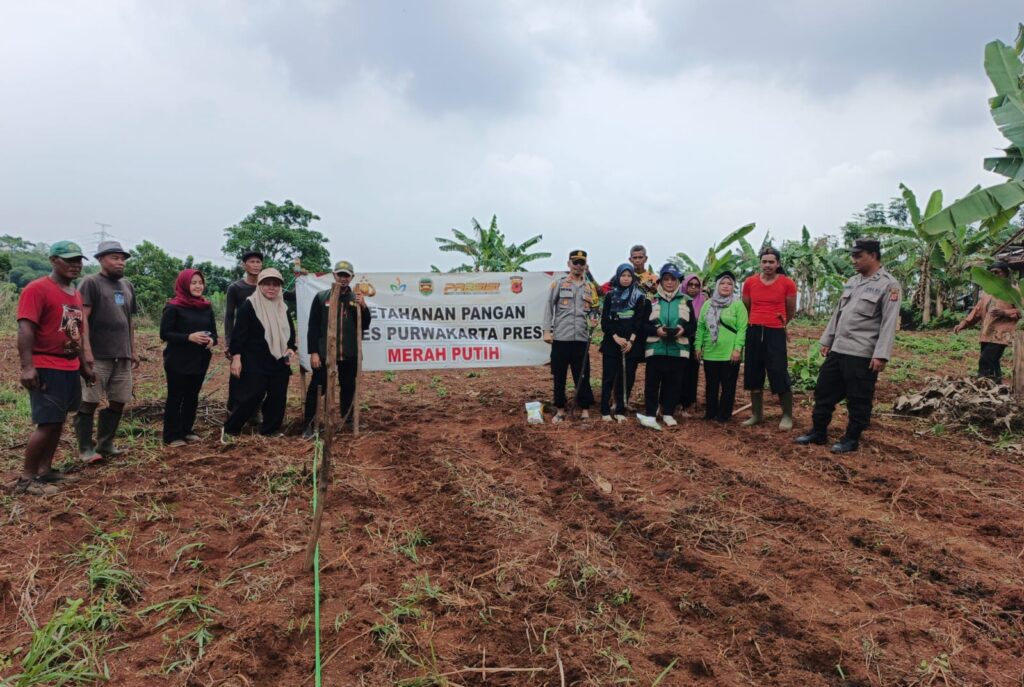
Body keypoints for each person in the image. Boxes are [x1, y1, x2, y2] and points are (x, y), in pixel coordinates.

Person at [795, 239, 900, 453]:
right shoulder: (852, 281)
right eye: (853, 255)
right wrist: (827, 340)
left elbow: (889, 323)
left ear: (872, 255)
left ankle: (851, 439)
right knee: (823, 390)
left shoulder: (888, 285)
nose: (853, 260)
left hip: (862, 353)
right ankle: (818, 432)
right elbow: (838, 314)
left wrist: (881, 355)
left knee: (858, 398)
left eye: (858, 256)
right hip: (839, 349)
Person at [15, 241, 95, 495]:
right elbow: (25, 329)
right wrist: (27, 367)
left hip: (68, 365)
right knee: (47, 422)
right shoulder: (37, 289)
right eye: (69, 260)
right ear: (53, 260)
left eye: (79, 260)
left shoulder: (74, 292)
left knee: (58, 420)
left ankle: (45, 471)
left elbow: (76, 333)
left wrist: (84, 366)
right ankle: (27, 479)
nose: (76, 265)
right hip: (46, 363)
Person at [75, 240, 138, 463]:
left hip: (121, 355)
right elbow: (82, 319)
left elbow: (128, 320)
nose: (120, 262)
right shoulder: (90, 283)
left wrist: (132, 349)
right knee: (89, 400)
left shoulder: (127, 285)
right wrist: (87, 351)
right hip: (98, 355)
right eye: (114, 258)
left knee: (119, 399)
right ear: (101, 259)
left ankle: (106, 443)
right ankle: (84, 448)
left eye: (122, 258)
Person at [222, 268, 297, 442]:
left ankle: (270, 429)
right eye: (267, 284)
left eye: (276, 284)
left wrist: (291, 348)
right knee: (252, 395)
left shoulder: (282, 306)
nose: (271, 288)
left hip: (278, 359)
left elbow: (290, 332)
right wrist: (237, 358)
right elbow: (239, 334)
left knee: (278, 395)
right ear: (260, 285)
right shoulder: (249, 305)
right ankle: (231, 429)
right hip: (254, 359)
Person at [302, 260, 371, 439]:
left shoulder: (355, 299)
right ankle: (309, 424)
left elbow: (365, 325)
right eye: (340, 274)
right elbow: (313, 328)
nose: (343, 278)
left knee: (348, 387)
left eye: (346, 275)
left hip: (349, 354)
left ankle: (348, 419)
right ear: (334, 275)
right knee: (317, 389)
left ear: (352, 277)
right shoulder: (321, 297)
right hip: (325, 354)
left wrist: (363, 307)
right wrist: (314, 353)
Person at [160, 269, 218, 447]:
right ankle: (172, 435)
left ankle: (187, 430)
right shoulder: (173, 306)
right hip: (178, 359)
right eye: (193, 282)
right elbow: (165, 333)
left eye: (200, 282)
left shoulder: (206, 306)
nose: (198, 286)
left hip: (200, 358)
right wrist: (188, 337)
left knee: (192, 396)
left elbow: (214, 333)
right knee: (176, 397)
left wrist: (212, 340)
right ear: (185, 284)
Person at [741, 247, 797, 430]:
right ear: (760, 263)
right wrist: (757, 321)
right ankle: (757, 414)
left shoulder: (787, 283)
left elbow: (790, 310)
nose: (767, 265)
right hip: (754, 331)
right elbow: (747, 307)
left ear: (778, 263)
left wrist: (779, 323)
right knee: (753, 371)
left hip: (775, 332)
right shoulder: (749, 283)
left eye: (771, 262)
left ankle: (787, 415)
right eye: (764, 261)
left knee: (778, 371)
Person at [544, 249, 600, 423]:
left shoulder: (590, 287)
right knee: (559, 375)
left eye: (581, 263)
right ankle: (560, 409)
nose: (578, 266)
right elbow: (548, 307)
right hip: (561, 337)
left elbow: (595, 310)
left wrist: (594, 320)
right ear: (568, 264)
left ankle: (584, 409)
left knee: (582, 375)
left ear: (586, 266)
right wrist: (547, 330)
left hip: (581, 338)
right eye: (575, 262)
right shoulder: (559, 284)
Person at [638, 264, 696, 429]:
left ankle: (668, 413)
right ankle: (650, 413)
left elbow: (693, 325)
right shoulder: (651, 300)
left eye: (673, 279)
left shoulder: (686, 300)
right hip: (656, 348)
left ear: (678, 281)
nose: (669, 282)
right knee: (652, 384)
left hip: (678, 350)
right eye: (666, 279)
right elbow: (643, 325)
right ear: (661, 281)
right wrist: (657, 330)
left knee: (674, 383)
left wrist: (683, 330)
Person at [599, 264, 651, 421]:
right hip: (611, 343)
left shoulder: (639, 297)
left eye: (629, 275)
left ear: (633, 278)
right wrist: (615, 336)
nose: (626, 278)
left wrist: (631, 341)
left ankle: (621, 410)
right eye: (623, 275)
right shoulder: (610, 296)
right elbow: (605, 321)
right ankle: (605, 411)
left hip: (630, 346)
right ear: (618, 276)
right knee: (608, 377)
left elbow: (639, 321)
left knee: (626, 378)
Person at [953, 261, 1020, 383]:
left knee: (986, 360)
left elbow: (1022, 310)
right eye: (991, 273)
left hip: (1001, 333)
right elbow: (977, 310)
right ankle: (997, 386)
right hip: (986, 333)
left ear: (1005, 274)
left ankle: (983, 384)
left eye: (997, 272)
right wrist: (964, 323)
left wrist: (1005, 312)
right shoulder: (987, 292)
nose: (994, 275)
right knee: (993, 361)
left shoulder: (1013, 290)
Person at [694, 272, 748, 422]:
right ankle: (710, 412)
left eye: (729, 284)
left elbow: (742, 328)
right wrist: (698, 346)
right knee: (711, 385)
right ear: (717, 286)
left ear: (733, 287)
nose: (726, 286)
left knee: (728, 386)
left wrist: (737, 349)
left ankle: (724, 415)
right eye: (723, 283)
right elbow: (701, 327)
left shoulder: (737, 304)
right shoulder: (707, 304)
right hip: (711, 352)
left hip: (730, 353)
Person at [223, 250, 263, 412]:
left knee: (259, 377)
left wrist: (300, 279)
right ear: (244, 265)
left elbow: (290, 295)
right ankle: (233, 411)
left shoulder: (266, 285)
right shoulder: (236, 288)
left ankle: (255, 412)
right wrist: (228, 342)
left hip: (261, 341)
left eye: (258, 262)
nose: (255, 265)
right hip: (241, 339)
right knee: (238, 376)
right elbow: (229, 316)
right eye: (252, 262)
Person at [679, 274, 706, 415]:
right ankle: (675, 402)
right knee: (678, 372)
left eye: (696, 285)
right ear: (685, 286)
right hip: (679, 340)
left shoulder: (704, 301)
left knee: (692, 373)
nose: (694, 288)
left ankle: (688, 402)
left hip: (695, 341)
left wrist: (700, 344)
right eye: (691, 285)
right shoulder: (679, 300)